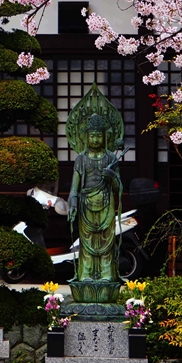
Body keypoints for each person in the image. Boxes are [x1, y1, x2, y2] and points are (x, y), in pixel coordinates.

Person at [67, 113, 122, 283]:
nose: (96, 140)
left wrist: (112, 176)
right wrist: (73, 203)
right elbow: (74, 188)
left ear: (105, 137)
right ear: (86, 137)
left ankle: (106, 274)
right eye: (92, 136)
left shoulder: (111, 158)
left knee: (106, 240)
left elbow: (119, 188)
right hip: (86, 204)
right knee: (86, 241)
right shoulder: (81, 159)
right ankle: (86, 274)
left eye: (99, 136)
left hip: (106, 203)